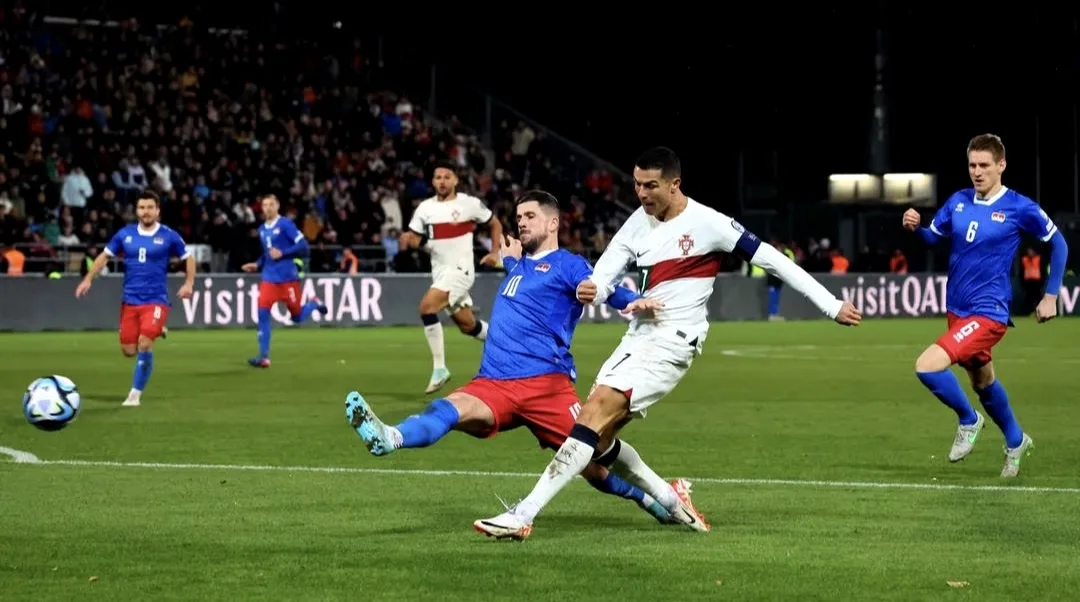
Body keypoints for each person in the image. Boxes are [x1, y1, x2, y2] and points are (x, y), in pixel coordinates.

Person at [474, 147, 862, 540]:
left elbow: (774, 260)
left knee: (592, 415)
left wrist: (830, 305)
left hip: (675, 341)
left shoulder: (711, 224)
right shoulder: (637, 222)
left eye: (650, 186)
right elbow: (606, 271)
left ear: (675, 184)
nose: (641, 194)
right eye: (637, 184)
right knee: (600, 438)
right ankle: (673, 500)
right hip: (637, 337)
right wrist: (597, 287)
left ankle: (523, 514)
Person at [347, 190, 677, 526]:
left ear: (553, 222)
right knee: (447, 409)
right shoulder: (518, 266)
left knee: (594, 465)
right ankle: (391, 437)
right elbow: (523, 272)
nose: (521, 222)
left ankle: (649, 498)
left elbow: (595, 286)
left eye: (529, 216)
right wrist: (504, 258)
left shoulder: (568, 264)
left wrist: (630, 300)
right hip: (493, 383)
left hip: (546, 387)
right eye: (518, 218)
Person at [902, 133, 1068, 477]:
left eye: (984, 165)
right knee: (983, 383)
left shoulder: (1019, 208)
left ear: (1001, 165)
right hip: (957, 310)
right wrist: (917, 229)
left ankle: (968, 420)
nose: (977, 172)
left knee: (927, 366)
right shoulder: (959, 201)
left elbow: (1060, 244)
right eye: (972, 165)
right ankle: (1016, 439)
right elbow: (934, 238)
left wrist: (1051, 295)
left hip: (988, 311)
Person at [75, 190, 196, 407]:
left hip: (156, 299)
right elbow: (104, 257)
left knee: (144, 344)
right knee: (128, 350)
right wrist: (88, 279)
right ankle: (158, 328)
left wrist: (188, 283)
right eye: (142, 208)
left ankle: (134, 394)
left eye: (150, 207)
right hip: (130, 300)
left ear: (157, 211)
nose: (146, 211)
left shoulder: (169, 235)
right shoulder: (125, 234)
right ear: (137, 210)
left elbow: (189, 258)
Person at [399, 162, 504, 393]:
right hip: (441, 273)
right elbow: (419, 241)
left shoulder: (469, 204)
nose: (442, 181)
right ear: (433, 181)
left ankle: (439, 368)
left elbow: (495, 223)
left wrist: (495, 251)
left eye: (447, 176)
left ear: (456, 180)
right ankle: (507, 344)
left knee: (427, 307)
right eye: (438, 177)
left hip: (461, 271)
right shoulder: (424, 209)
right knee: (468, 325)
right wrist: (409, 242)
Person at [241, 194, 327, 368]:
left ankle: (314, 304)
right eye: (264, 205)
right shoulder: (262, 229)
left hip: (288, 279)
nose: (268, 208)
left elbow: (304, 247)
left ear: (277, 206)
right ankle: (264, 356)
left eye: (271, 204)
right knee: (262, 313)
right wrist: (257, 264)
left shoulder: (286, 224)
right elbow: (267, 255)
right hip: (269, 279)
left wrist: (284, 253)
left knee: (297, 316)